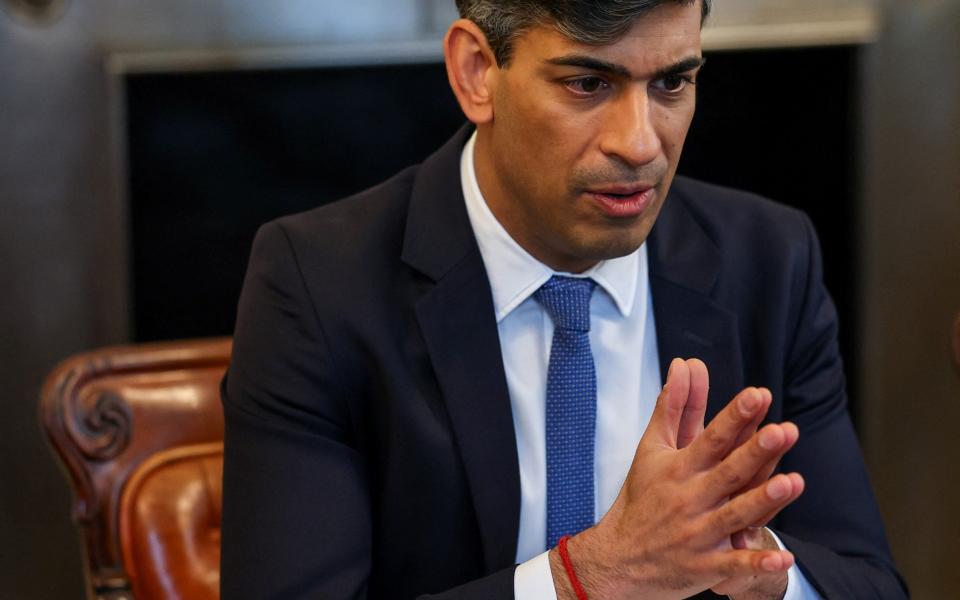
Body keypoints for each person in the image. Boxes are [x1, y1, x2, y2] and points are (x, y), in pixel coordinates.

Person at [220, 0, 908, 598]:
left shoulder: (770, 258)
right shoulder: (317, 284)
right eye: (587, 83)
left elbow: (869, 582)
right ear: (477, 73)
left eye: (672, 82)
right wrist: (591, 578)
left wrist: (770, 576)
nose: (640, 144)